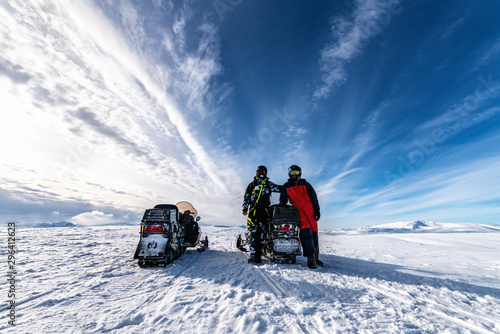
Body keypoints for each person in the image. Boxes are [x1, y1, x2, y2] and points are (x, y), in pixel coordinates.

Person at [280, 165, 322, 269]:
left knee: (314, 235)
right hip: (299, 213)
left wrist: (317, 210)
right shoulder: (287, 185)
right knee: (306, 235)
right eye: (292, 173)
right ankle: (310, 259)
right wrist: (282, 204)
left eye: (296, 173)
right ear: (289, 174)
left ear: (300, 173)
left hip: (311, 212)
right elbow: (283, 198)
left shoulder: (306, 184)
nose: (294, 175)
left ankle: (316, 258)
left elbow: (314, 197)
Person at [242, 165, 282, 264]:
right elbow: (246, 197)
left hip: (264, 212)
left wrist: (289, 186)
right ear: (256, 173)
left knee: (262, 234)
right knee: (253, 233)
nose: (261, 173)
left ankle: (259, 255)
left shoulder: (269, 184)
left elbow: (279, 188)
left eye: (263, 172)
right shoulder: (252, 185)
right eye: (259, 172)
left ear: (266, 173)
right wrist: (244, 208)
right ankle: (253, 255)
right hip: (253, 212)